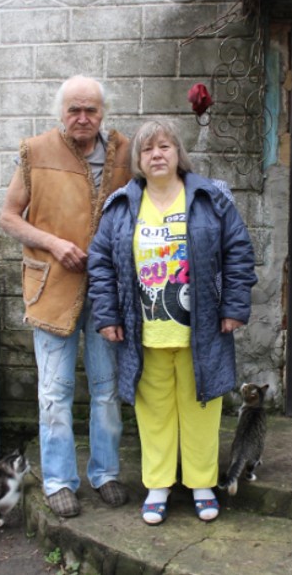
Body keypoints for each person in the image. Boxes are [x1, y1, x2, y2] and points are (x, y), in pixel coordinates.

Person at [88, 119, 257, 525]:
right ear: (138, 160)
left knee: (202, 410)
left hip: (203, 330)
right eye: (147, 149)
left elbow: (238, 251)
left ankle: (202, 484)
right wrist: (108, 315)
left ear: (179, 153)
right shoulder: (121, 205)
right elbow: (101, 263)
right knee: (154, 414)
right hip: (144, 332)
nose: (157, 155)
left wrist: (234, 308)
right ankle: (158, 486)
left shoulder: (210, 198)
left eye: (164, 146)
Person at [0, 75, 131, 518]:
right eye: (74, 109)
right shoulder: (35, 151)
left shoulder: (125, 153)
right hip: (52, 287)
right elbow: (8, 217)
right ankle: (58, 481)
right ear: (61, 112)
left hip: (107, 291)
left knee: (107, 390)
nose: (83, 118)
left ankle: (105, 473)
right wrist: (55, 244)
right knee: (55, 392)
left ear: (103, 112)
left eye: (91, 110)